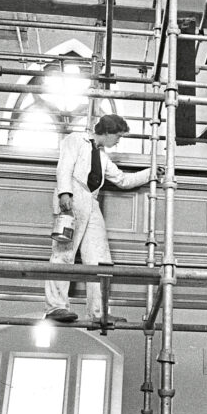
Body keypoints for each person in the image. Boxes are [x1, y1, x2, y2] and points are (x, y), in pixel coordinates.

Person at [44, 114, 163, 324]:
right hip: (73, 195)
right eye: (117, 136)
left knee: (101, 259)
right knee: (63, 253)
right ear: (107, 132)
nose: (118, 140)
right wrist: (64, 193)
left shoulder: (102, 157)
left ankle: (99, 313)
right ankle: (56, 307)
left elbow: (123, 180)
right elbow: (65, 166)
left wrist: (151, 172)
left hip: (91, 201)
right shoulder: (75, 140)